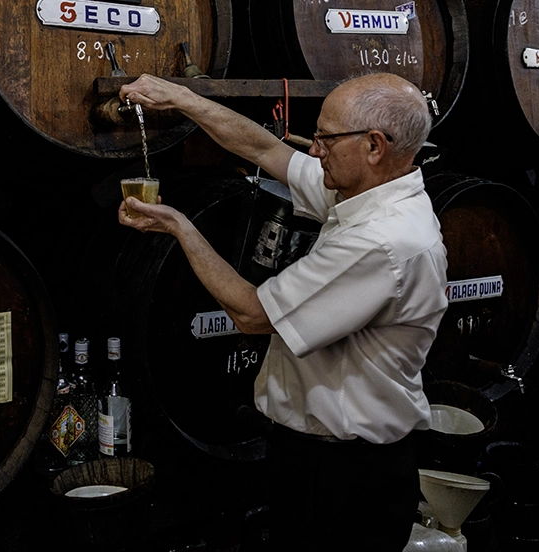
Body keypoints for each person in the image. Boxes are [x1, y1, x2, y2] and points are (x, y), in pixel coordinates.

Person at [117, 73, 448, 552]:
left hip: (347, 478)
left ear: (374, 146)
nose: (315, 150)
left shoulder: (383, 240)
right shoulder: (362, 193)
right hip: (319, 461)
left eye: (326, 138)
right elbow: (266, 151)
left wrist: (179, 228)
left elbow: (253, 315)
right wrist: (184, 99)